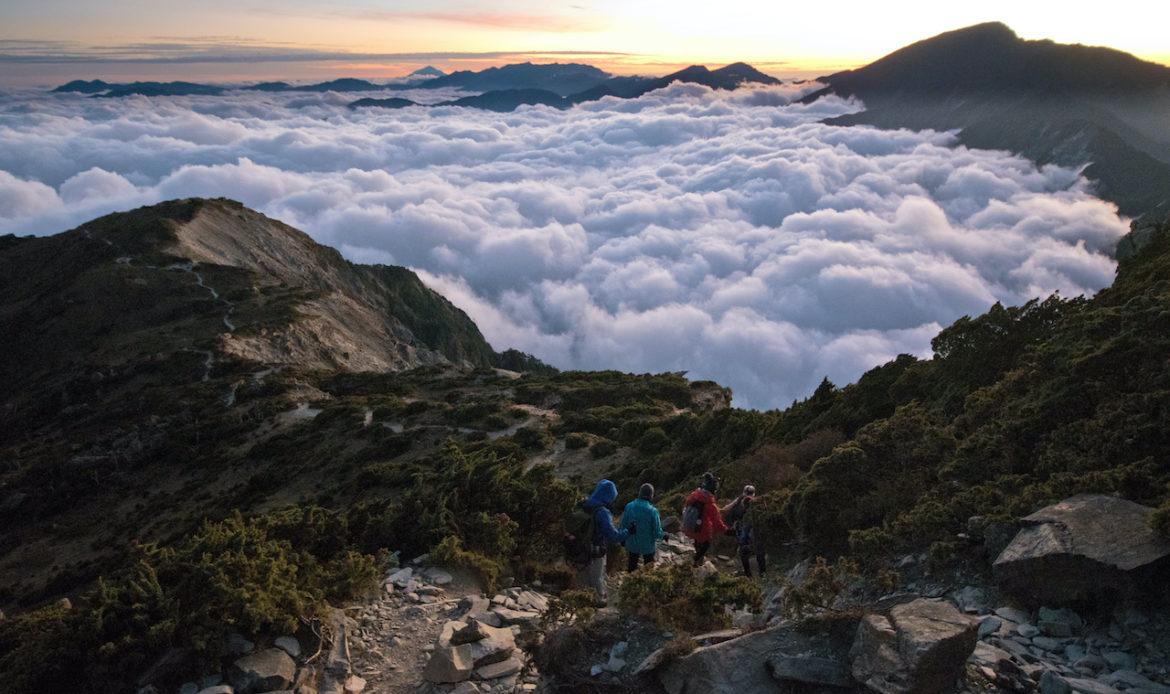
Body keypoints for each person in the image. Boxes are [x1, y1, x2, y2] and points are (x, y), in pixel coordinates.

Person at [582, 479, 631, 605]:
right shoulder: (602, 511)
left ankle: (581, 598)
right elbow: (612, 536)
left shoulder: (584, 503)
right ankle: (598, 601)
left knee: (583, 574)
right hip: (595, 548)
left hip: (578, 546)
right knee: (597, 576)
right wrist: (627, 532)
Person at [682, 471, 727, 566]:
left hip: (688, 526)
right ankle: (695, 561)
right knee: (706, 543)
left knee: (698, 541)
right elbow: (718, 524)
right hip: (700, 530)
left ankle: (698, 558)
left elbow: (686, 505)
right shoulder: (710, 504)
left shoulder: (694, 494)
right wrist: (728, 531)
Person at [722, 485, 766, 578]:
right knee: (760, 552)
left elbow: (726, 510)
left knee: (744, 553)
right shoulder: (757, 502)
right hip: (755, 532)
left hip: (741, 532)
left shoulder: (738, 502)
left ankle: (748, 575)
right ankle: (762, 573)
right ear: (754, 493)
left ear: (744, 492)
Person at [620, 483, 664, 572]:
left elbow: (623, 525)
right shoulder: (653, 511)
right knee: (648, 568)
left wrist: (622, 539)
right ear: (651, 495)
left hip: (632, 544)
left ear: (640, 493)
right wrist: (664, 535)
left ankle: (630, 582)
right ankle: (646, 582)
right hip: (648, 547)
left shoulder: (629, 506)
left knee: (632, 565)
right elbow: (657, 532)